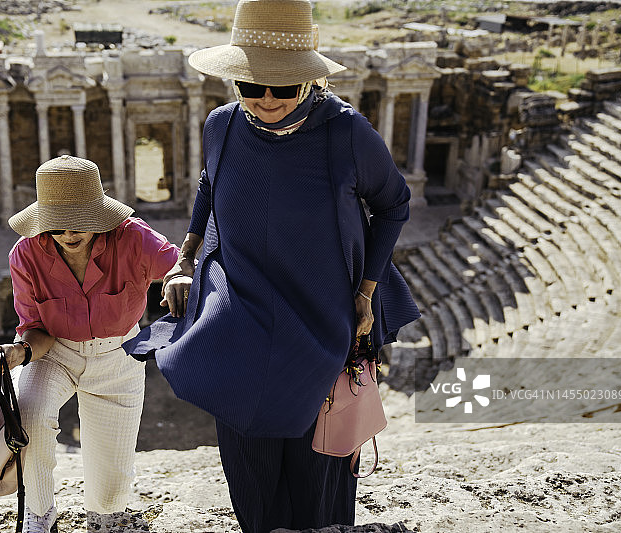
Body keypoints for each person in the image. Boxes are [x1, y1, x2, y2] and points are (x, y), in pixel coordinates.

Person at [123, 0, 421, 532]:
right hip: (241, 316)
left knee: (317, 469)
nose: (266, 101)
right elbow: (209, 188)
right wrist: (184, 261)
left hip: (320, 314)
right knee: (249, 463)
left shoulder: (346, 134)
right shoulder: (222, 126)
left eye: (283, 88)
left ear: (309, 82)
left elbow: (393, 204)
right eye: (250, 87)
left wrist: (366, 291)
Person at [0, 155, 179, 533]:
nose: (70, 234)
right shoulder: (25, 254)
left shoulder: (132, 236)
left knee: (111, 473)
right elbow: (35, 330)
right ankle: (39, 514)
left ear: (99, 216)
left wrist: (177, 278)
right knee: (31, 416)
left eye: (81, 224)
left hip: (117, 356)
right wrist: (17, 352)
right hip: (51, 353)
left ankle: (104, 517)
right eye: (57, 226)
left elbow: (179, 264)